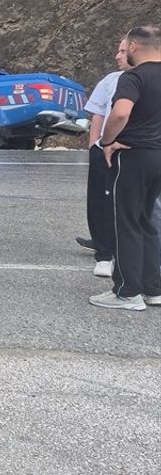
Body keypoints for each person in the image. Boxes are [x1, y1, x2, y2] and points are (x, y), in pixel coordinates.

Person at [94, 25, 161, 311]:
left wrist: (107, 141)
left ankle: (127, 292)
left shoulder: (132, 77)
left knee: (127, 222)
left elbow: (121, 112)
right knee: (146, 219)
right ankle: (152, 289)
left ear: (133, 46)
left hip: (134, 156)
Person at [79, 36, 131, 277]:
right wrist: (95, 147)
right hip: (105, 149)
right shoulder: (110, 80)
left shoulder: (147, 79)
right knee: (101, 201)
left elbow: (121, 115)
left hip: (137, 150)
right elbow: (99, 114)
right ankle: (104, 252)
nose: (117, 56)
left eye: (122, 51)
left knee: (138, 205)